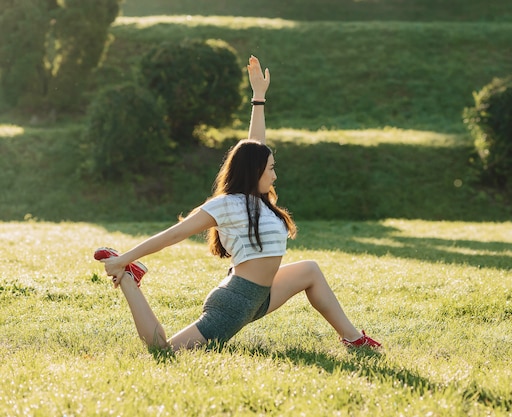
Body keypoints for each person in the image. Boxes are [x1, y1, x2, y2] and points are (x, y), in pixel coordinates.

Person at [96, 55, 381, 352]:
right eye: (270, 168)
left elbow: (254, 148)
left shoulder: (256, 199)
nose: (274, 174)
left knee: (309, 270)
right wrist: (122, 259)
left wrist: (258, 98)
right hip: (236, 302)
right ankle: (129, 277)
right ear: (255, 172)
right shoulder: (227, 205)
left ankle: (355, 340)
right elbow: (174, 235)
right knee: (164, 350)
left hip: (262, 295)